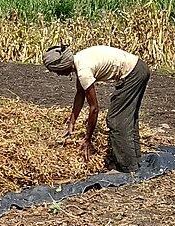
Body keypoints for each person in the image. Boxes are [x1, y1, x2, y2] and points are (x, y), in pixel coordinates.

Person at [43, 44, 150, 172]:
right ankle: (135, 160)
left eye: (56, 71)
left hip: (134, 74)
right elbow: (80, 93)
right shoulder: (79, 60)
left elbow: (94, 108)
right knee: (128, 118)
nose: (58, 75)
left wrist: (87, 139)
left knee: (115, 120)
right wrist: (72, 121)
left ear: (63, 66)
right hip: (138, 68)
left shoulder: (83, 71)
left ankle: (127, 168)